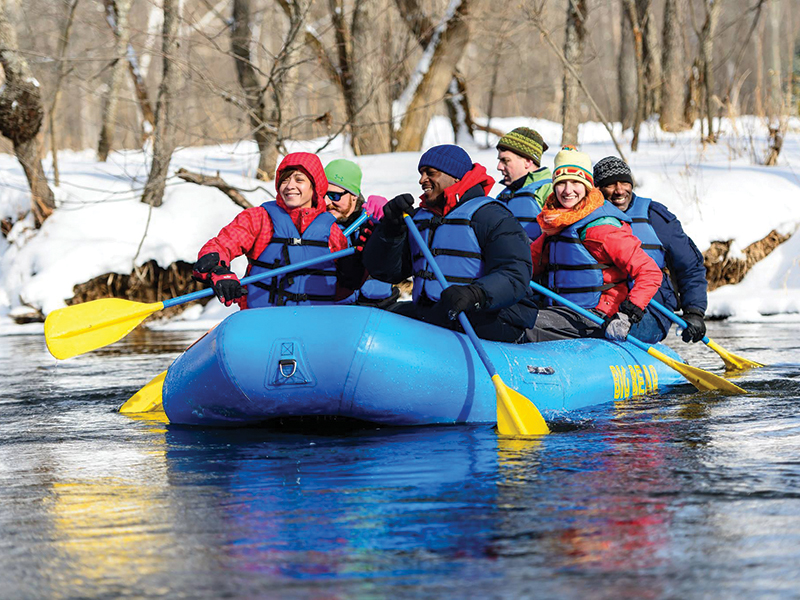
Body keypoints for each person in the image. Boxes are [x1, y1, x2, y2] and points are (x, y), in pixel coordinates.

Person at [362, 144, 539, 343]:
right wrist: (390, 231)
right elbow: (385, 272)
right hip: (436, 316)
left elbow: (515, 273)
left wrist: (476, 294)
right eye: (421, 173)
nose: (422, 180)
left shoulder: (491, 216)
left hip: (488, 317)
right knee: (383, 320)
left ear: (454, 176)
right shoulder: (421, 219)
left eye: (431, 173)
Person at [523, 147, 663, 343]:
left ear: (588, 186)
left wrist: (627, 315)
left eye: (575, 182)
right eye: (561, 183)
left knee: (523, 323)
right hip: (561, 311)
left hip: (596, 316)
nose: (568, 190)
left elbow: (650, 272)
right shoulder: (556, 225)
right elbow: (527, 264)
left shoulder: (602, 229)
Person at [192, 152, 361, 308]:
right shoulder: (258, 219)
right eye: (285, 180)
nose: (289, 186)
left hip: (313, 325)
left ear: (315, 186)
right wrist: (218, 270)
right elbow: (220, 246)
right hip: (264, 322)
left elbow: (341, 289)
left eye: (299, 180)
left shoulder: (332, 231)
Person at [593, 156, 708, 344]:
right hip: (603, 306)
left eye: (624, 183)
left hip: (651, 310)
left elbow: (690, 266)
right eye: (611, 185)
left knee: (607, 332)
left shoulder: (655, 216)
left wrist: (694, 311)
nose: (620, 190)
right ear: (598, 189)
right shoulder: (587, 217)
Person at [324, 158, 399, 308]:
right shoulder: (317, 227)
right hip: (334, 311)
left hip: (378, 309)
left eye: (334, 195)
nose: (327, 202)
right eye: (323, 195)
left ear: (354, 195)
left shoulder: (372, 221)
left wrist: (390, 221)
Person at [495, 127, 553, 241]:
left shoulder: (549, 191)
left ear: (527, 161)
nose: (499, 167)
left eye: (505, 160)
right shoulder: (503, 195)